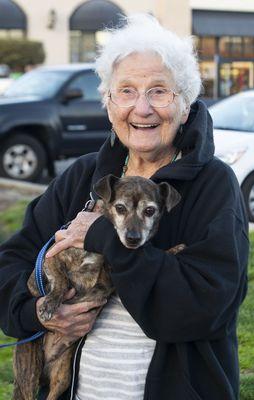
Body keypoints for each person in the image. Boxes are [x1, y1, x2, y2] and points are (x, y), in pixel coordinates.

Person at [0, 14, 249, 400]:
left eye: (159, 91)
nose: (142, 108)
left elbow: (205, 306)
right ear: (109, 104)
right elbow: (11, 261)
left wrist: (104, 236)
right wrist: (37, 313)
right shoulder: (82, 178)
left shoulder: (213, 186)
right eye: (127, 91)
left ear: (184, 105)